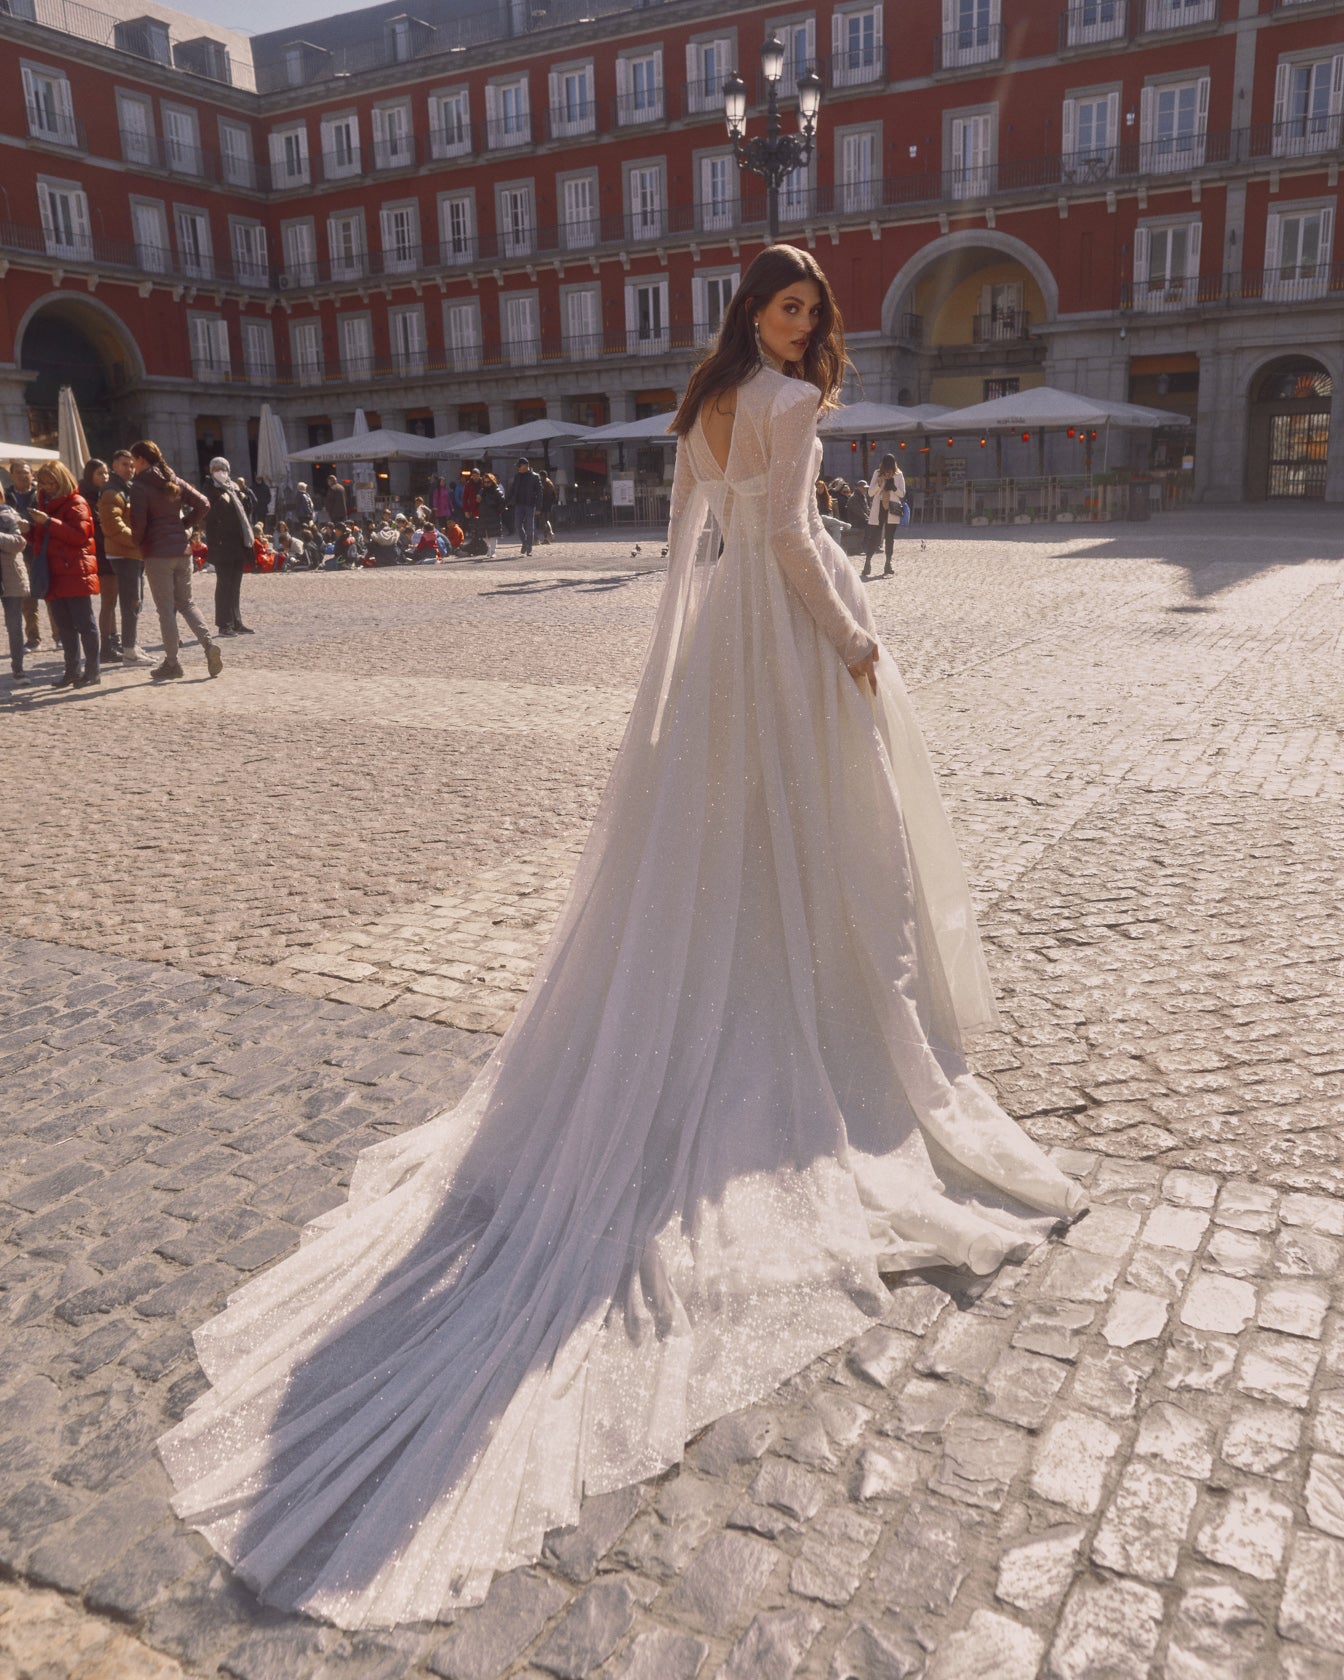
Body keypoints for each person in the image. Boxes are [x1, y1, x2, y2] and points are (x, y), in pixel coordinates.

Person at [159, 245, 1086, 1630]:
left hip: (721, 643)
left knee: (712, 845)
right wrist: (850, 638)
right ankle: (806, 1016)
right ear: (755, 315)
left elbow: (690, 556)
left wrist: (704, 658)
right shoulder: (779, 402)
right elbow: (782, 539)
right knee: (811, 835)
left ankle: (754, 978)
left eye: (812, 312)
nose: (804, 326)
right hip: (776, 630)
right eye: (790, 306)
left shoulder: (706, 399)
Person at [128, 439, 221, 683]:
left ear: (141, 459)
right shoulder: (173, 479)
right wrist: (184, 525)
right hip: (182, 550)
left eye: (132, 460)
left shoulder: (139, 485)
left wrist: (136, 542)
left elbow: (138, 522)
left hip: (157, 553)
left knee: (166, 610)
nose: (131, 465)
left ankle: (172, 662)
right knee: (187, 603)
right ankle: (208, 645)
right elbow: (203, 503)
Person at [28, 460, 100, 689]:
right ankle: (72, 670)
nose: (46, 487)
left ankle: (92, 671)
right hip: (54, 572)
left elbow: (79, 536)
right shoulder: (45, 504)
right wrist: (29, 531)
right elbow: (45, 540)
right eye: (43, 483)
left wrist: (49, 522)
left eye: (50, 482)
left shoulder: (76, 503)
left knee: (84, 624)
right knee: (65, 627)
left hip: (74, 571)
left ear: (61, 481)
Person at [99, 450, 154, 667]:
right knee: (130, 601)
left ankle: (132, 645)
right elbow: (114, 527)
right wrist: (139, 542)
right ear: (114, 466)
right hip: (124, 553)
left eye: (132, 465)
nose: (129, 469)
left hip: (133, 553)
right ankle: (129, 652)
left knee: (135, 601)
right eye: (124, 464)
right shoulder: (112, 492)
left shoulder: (128, 489)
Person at [202, 457, 254, 636]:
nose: (220, 471)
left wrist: (245, 499)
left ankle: (236, 621)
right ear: (211, 471)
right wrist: (222, 501)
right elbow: (208, 516)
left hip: (238, 542)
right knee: (224, 584)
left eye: (223, 468)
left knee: (235, 585)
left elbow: (245, 514)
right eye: (216, 468)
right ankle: (224, 624)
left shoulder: (234, 487)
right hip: (221, 544)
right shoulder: (209, 489)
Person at [6, 460, 51, 652]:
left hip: (40, 550)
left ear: (32, 475)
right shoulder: (6, 497)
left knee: (50, 593)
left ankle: (59, 636)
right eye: (19, 473)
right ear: (12, 475)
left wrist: (31, 527)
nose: (23, 476)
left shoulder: (41, 495)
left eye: (26, 472)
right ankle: (33, 639)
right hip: (17, 554)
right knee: (27, 598)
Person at [79, 460, 119, 663]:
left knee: (112, 601)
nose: (104, 477)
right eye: (99, 474)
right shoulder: (87, 499)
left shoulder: (103, 495)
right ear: (90, 476)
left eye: (106, 473)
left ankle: (114, 640)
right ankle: (107, 645)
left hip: (110, 553)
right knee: (108, 602)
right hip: (102, 555)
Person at [0, 505, 31, 686]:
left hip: (9, 577)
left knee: (14, 625)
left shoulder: (8, 517)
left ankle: (18, 670)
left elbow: (19, 542)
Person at [861, 453, 905, 580]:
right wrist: (879, 485)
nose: (887, 470)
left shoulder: (898, 474)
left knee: (890, 538)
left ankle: (888, 563)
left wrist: (894, 488)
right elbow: (869, 493)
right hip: (879, 507)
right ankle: (867, 563)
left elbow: (902, 494)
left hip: (892, 507)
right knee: (874, 537)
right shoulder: (877, 473)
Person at [509, 456, 542, 555]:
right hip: (519, 504)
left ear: (526, 465)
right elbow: (512, 490)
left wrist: (539, 507)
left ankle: (529, 548)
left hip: (530, 504)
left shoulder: (535, 476)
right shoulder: (517, 476)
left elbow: (540, 493)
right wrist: (506, 502)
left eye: (519, 465)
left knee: (529, 526)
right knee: (517, 525)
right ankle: (525, 542)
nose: (518, 467)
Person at [477, 471, 505, 558]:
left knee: (493, 535)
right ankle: (489, 549)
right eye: (485, 482)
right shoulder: (482, 491)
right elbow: (477, 501)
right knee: (484, 535)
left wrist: (498, 511)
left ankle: (492, 551)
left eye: (488, 482)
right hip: (483, 515)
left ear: (492, 481)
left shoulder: (496, 490)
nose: (486, 484)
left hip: (493, 515)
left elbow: (502, 502)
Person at [539, 472, 557, 544]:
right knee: (547, 520)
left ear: (542, 476)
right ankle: (551, 533)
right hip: (549, 504)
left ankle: (546, 538)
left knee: (544, 521)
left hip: (544, 504)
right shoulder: (550, 482)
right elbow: (554, 495)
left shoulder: (543, 483)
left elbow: (541, 494)